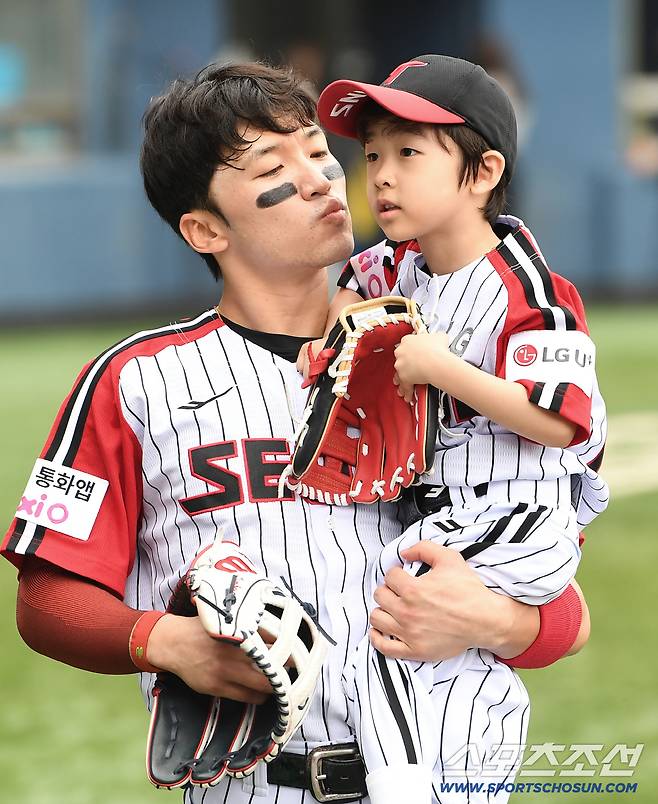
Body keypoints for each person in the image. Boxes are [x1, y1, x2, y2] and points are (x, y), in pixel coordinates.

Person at [2, 62, 590, 804]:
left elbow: (565, 607)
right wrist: (171, 644)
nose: (320, 179)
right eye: (273, 168)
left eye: (319, 152)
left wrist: (498, 620)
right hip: (259, 787)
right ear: (204, 227)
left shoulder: (441, 346)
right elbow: (47, 600)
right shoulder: (133, 384)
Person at [302, 54, 608, 803]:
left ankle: (402, 788)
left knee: (383, 612)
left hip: (521, 519)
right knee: (454, 685)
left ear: (480, 174)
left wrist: (446, 370)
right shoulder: (396, 265)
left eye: (409, 153)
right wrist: (339, 326)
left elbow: (564, 420)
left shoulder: (527, 285)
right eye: (371, 154)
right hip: (448, 517)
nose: (381, 175)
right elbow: (347, 291)